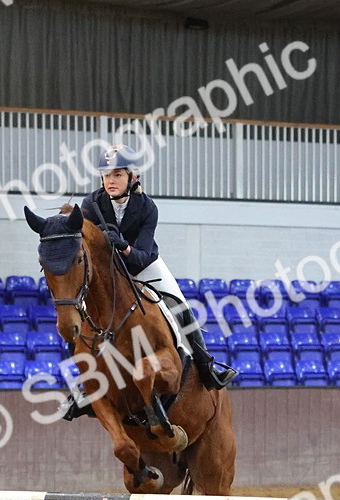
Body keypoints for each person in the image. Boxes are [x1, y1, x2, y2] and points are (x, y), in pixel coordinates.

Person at [79, 145, 236, 392]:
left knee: (181, 308)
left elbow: (139, 256)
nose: (111, 180)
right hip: (109, 272)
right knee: (78, 313)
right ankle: (83, 386)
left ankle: (207, 367)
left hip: (144, 266)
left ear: (134, 177)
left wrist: (123, 247)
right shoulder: (91, 204)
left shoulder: (147, 208)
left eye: (118, 175)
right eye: (107, 175)